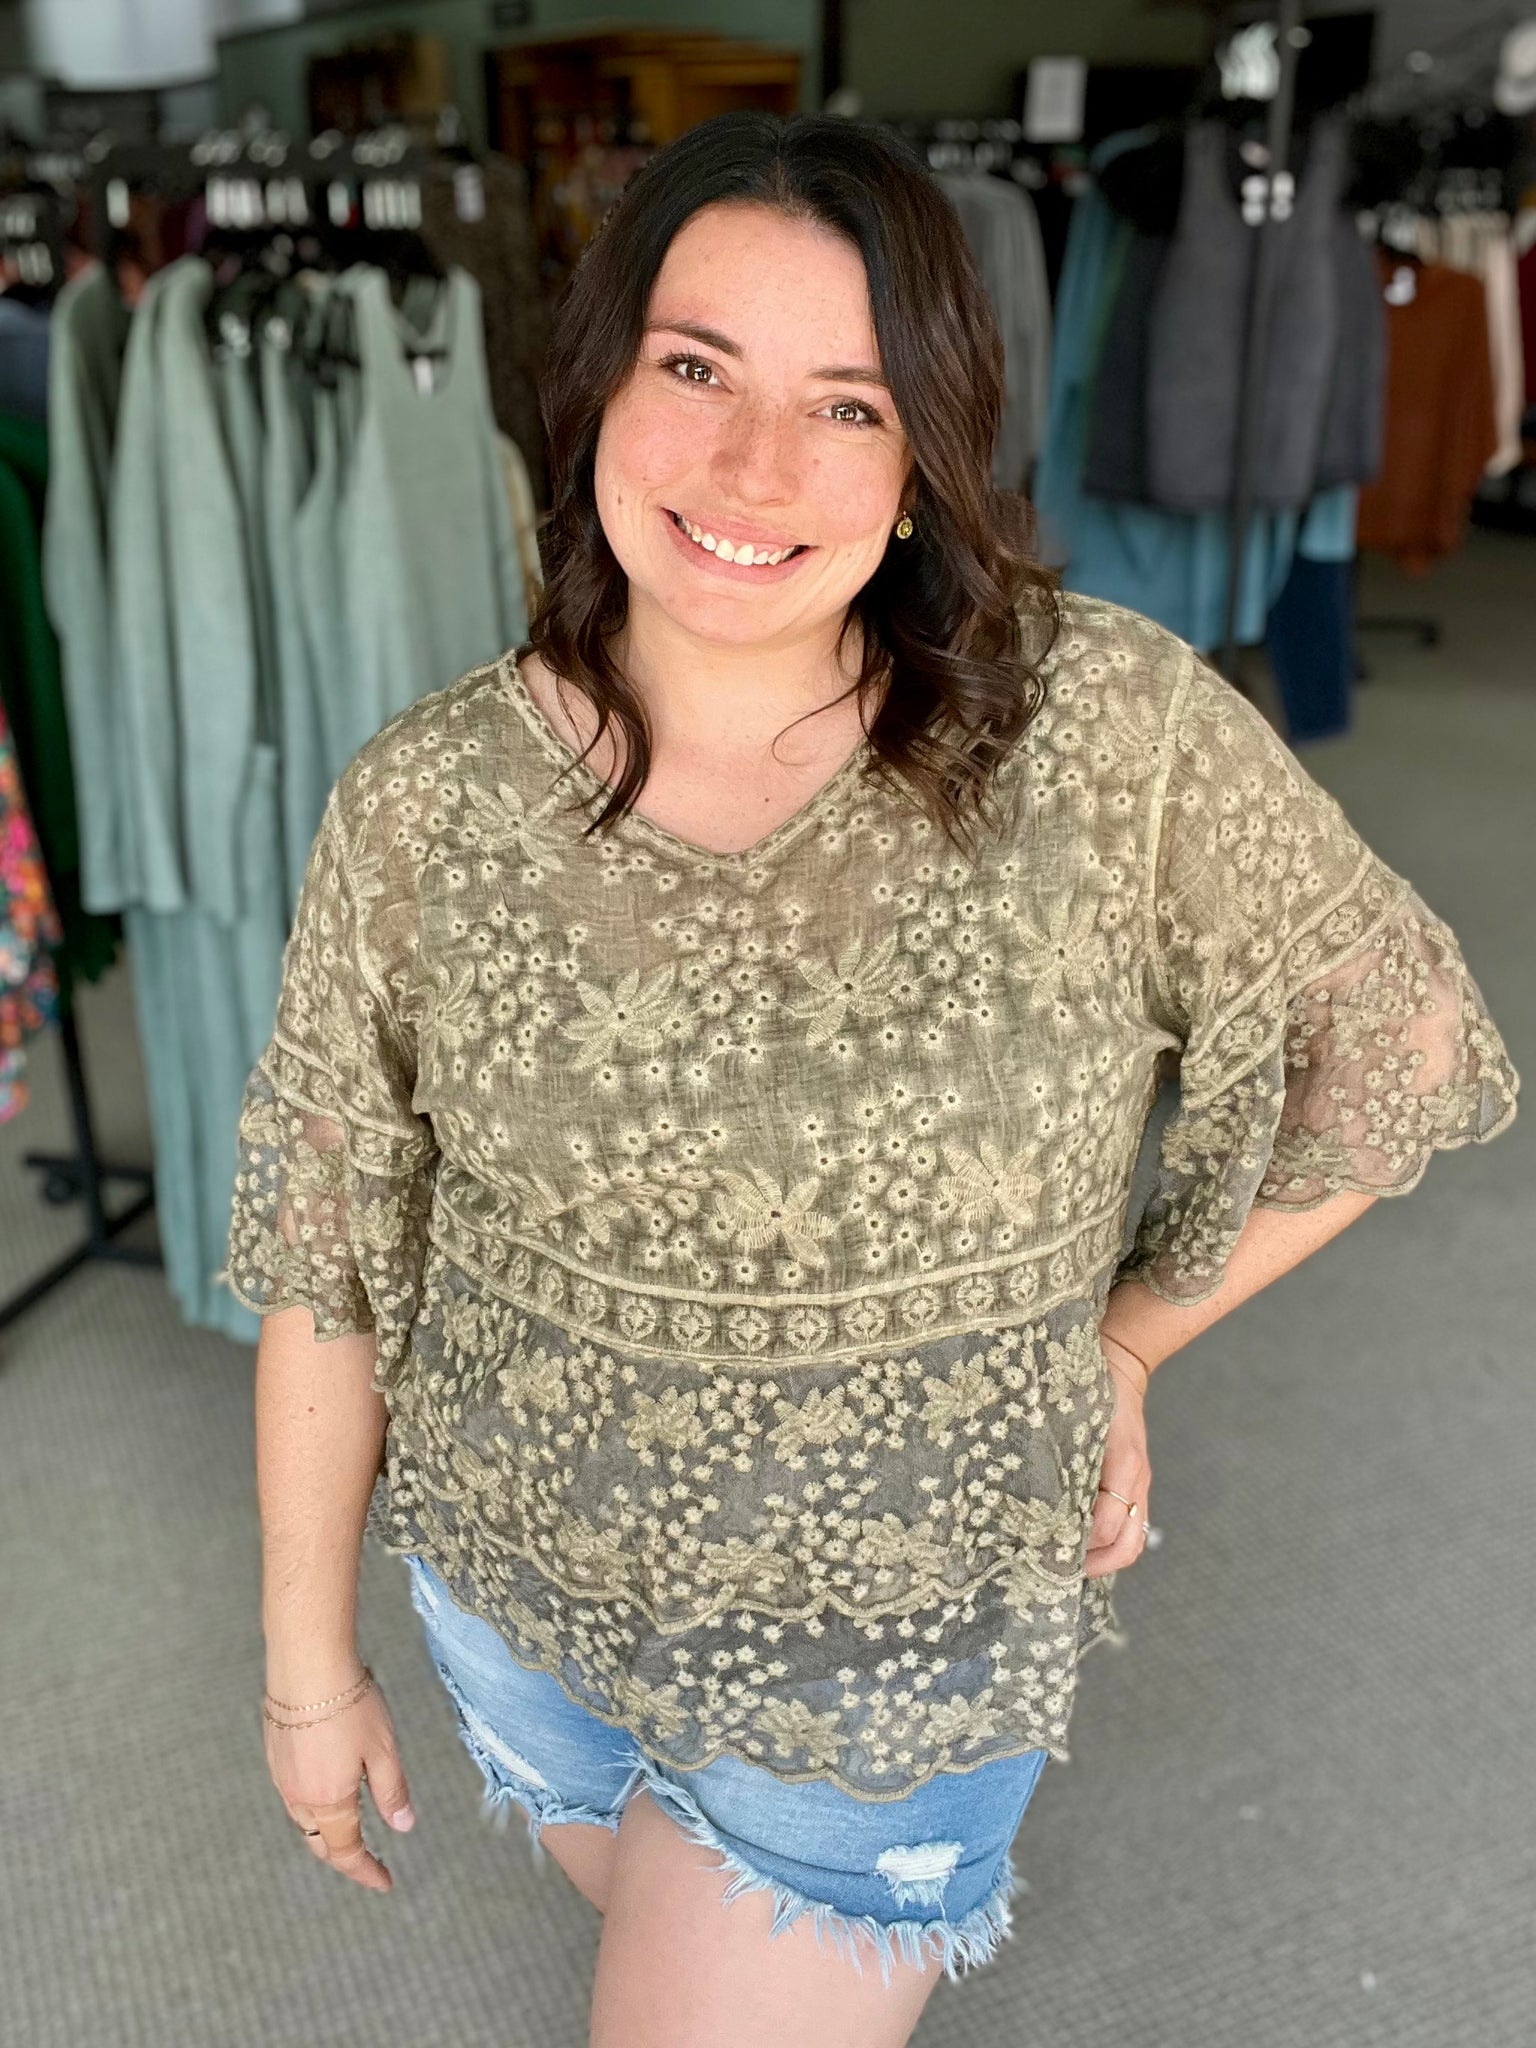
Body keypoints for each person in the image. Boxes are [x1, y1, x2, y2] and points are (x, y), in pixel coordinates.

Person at [227, 112, 1519, 2048]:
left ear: (928, 463)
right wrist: (306, 1667)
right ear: (596, 391)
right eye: (696, 370)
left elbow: (1395, 1035)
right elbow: (329, 1246)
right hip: (518, 1591)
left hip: (891, 1651)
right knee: (657, 1921)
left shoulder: (1101, 733)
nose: (757, 467)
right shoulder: (425, 800)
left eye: (851, 405)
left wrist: (1130, 1339)